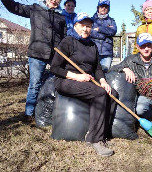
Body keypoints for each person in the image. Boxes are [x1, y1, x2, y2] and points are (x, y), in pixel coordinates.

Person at [0, 0, 67, 123]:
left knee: (57, 82)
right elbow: (13, 6)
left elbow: (64, 38)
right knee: (35, 84)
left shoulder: (61, 18)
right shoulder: (35, 9)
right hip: (37, 53)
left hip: (54, 55)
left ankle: (52, 110)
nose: (54, 0)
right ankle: (29, 114)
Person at [50, 13, 117, 156]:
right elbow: (55, 68)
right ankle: (94, 139)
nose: (85, 29)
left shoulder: (92, 45)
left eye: (89, 26)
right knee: (99, 93)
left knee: (112, 93)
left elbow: (97, 68)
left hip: (87, 79)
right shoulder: (68, 41)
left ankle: (103, 132)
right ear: (75, 26)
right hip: (66, 80)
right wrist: (76, 76)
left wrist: (103, 81)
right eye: (82, 25)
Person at [91, 0, 117, 73]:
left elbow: (113, 31)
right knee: (92, 73)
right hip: (94, 52)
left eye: (106, 7)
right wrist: (105, 34)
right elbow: (90, 32)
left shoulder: (112, 21)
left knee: (105, 74)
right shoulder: (91, 20)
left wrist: (99, 29)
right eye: (102, 6)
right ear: (98, 8)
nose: (104, 8)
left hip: (107, 54)